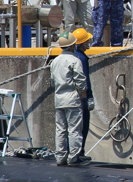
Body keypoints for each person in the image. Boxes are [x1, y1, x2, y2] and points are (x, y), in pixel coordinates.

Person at [51, 31, 90, 166]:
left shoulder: (55, 61)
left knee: (60, 129)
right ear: (73, 45)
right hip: (73, 99)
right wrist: (85, 98)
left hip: (59, 99)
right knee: (74, 129)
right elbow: (81, 82)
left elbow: (52, 82)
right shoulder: (75, 60)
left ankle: (60, 157)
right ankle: (73, 158)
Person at [71, 27, 95, 156]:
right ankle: (79, 153)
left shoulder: (71, 56)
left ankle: (70, 152)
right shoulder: (82, 58)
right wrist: (87, 98)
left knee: (70, 128)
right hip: (81, 97)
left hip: (69, 97)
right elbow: (84, 80)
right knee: (82, 127)